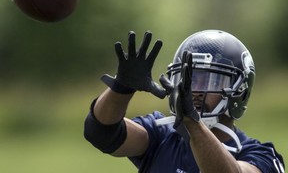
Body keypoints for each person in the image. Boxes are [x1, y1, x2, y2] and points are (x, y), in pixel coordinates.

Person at [84, 30, 285, 173]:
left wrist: (192, 123)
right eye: (189, 79)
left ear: (239, 92)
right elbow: (102, 132)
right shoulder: (160, 136)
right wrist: (121, 89)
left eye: (210, 80)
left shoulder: (262, 157)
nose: (194, 90)